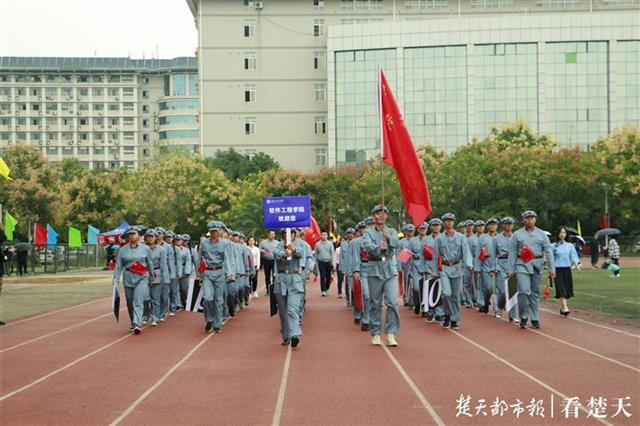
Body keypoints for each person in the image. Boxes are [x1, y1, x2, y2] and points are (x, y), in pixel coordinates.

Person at [362, 205, 400, 347]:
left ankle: (391, 333)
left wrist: (388, 238)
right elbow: (366, 245)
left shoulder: (391, 231)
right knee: (375, 303)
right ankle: (376, 332)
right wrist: (378, 248)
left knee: (392, 302)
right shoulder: (368, 232)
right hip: (375, 268)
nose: (381, 216)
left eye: (383, 213)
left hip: (389, 268)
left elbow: (397, 244)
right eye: (378, 213)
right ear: (373, 216)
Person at [513, 210, 555, 329]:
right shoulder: (517, 234)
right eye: (527, 218)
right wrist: (510, 268)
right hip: (522, 264)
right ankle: (524, 316)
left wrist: (552, 269)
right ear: (523, 220)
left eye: (532, 218)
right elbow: (512, 252)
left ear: (535, 219)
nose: (530, 220)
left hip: (537, 264)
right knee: (524, 291)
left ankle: (535, 318)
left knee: (534, 293)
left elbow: (548, 251)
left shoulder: (542, 234)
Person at [434, 213, 473, 330]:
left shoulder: (461, 237)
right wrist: (435, 272)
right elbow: (436, 255)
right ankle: (446, 315)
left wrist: (469, 265)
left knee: (455, 296)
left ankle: (454, 319)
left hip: (457, 267)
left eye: (451, 220)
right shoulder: (439, 238)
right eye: (446, 220)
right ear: (443, 223)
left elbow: (466, 252)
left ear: (454, 222)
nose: (449, 222)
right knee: (446, 293)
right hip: (444, 268)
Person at [113, 226, 154, 334]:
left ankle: (137, 323)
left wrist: (151, 276)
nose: (132, 236)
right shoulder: (122, 250)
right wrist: (115, 280)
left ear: (139, 235)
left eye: (134, 234)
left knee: (138, 300)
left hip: (142, 277)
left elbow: (150, 263)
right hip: (128, 277)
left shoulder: (145, 249)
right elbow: (118, 266)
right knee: (129, 302)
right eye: (130, 234)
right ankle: (133, 321)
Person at [198, 221, 235, 333]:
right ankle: (209, 319)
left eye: (215, 231)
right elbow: (199, 259)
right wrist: (199, 274)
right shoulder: (204, 243)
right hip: (208, 273)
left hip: (219, 272)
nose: (214, 233)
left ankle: (217, 324)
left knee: (218, 299)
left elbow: (227, 258)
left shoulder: (225, 243)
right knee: (208, 298)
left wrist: (229, 273)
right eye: (212, 231)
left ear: (219, 231)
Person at [273, 228, 306, 348]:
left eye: (291, 233)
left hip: (294, 278)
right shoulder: (278, 245)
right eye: (285, 233)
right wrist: (284, 253)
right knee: (282, 311)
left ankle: (295, 334)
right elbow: (275, 254)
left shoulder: (299, 244)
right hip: (281, 279)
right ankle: (286, 336)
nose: (288, 235)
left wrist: (293, 249)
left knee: (292, 309)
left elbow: (301, 253)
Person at [492, 217, 518, 322]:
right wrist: (493, 267)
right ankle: (499, 307)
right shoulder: (497, 239)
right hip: (501, 264)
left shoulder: (516, 237)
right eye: (506, 224)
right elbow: (493, 254)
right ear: (503, 225)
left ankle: (512, 315)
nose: (508, 226)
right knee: (502, 291)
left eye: (510, 224)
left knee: (512, 291)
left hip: (512, 264)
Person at [552, 227, 581, 316]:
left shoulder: (569, 245)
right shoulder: (553, 246)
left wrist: (576, 265)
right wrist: (550, 269)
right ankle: (565, 307)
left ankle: (562, 307)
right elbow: (550, 258)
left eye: (564, 232)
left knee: (567, 290)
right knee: (561, 289)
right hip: (557, 269)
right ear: (557, 234)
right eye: (560, 232)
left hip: (567, 269)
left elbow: (573, 256)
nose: (562, 234)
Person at [350, 222, 371, 331]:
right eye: (362, 228)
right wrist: (356, 270)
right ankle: (365, 318)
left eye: (366, 227)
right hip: (363, 269)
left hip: (375, 269)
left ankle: (372, 317)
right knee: (365, 295)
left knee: (375, 298)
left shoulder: (375, 239)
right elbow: (355, 258)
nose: (364, 230)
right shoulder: (356, 242)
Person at [146, 229, 169, 327]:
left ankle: (155, 317)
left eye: (152, 236)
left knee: (155, 298)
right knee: (145, 297)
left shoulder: (161, 250)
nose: (150, 238)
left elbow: (163, 265)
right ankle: (145, 315)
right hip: (145, 274)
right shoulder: (143, 248)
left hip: (157, 273)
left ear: (156, 237)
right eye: (148, 236)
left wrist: (165, 278)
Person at [478, 218, 499, 315]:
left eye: (494, 224)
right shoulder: (483, 238)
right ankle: (486, 301)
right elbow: (478, 253)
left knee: (498, 289)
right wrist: (477, 267)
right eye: (490, 224)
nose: (492, 226)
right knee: (489, 288)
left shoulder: (500, 237)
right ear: (487, 226)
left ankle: (497, 308)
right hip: (486, 264)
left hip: (498, 264)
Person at [314, 232, 335, 297]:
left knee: (328, 277)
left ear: (327, 236)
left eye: (325, 235)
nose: (324, 236)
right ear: (320, 235)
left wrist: (333, 262)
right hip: (321, 262)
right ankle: (323, 290)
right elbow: (316, 255)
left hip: (328, 262)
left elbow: (332, 253)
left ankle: (326, 287)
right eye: (322, 235)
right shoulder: (317, 244)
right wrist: (316, 264)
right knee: (322, 277)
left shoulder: (330, 243)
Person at [259, 231, 279, 295]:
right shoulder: (263, 242)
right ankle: (268, 290)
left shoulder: (277, 243)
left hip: (274, 260)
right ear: (268, 235)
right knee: (267, 275)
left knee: (274, 275)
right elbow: (259, 249)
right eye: (271, 234)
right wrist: (263, 251)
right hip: (266, 260)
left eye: (274, 234)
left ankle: (274, 289)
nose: (273, 235)